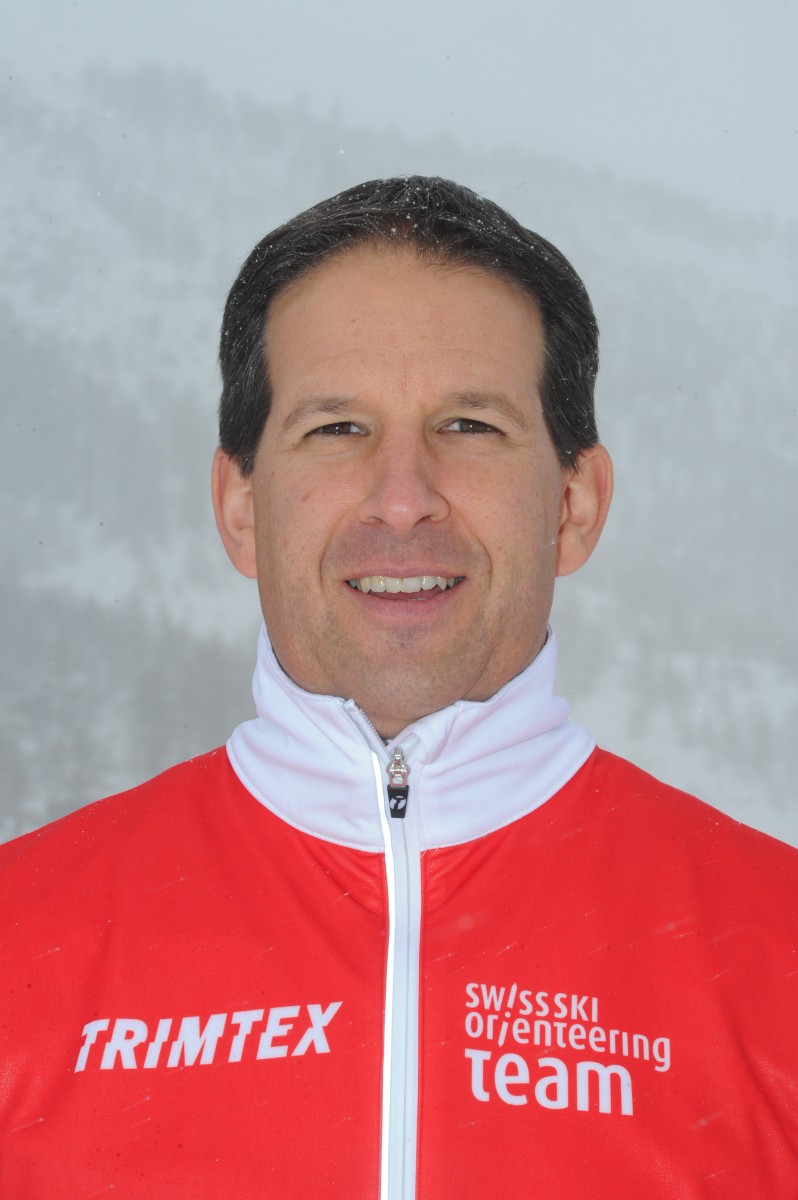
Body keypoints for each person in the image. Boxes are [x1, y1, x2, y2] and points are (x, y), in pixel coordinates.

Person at [1, 177, 796, 1198]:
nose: (404, 499)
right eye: (338, 429)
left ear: (574, 504)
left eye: (469, 425)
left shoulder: (774, 953)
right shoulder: (23, 943)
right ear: (240, 507)